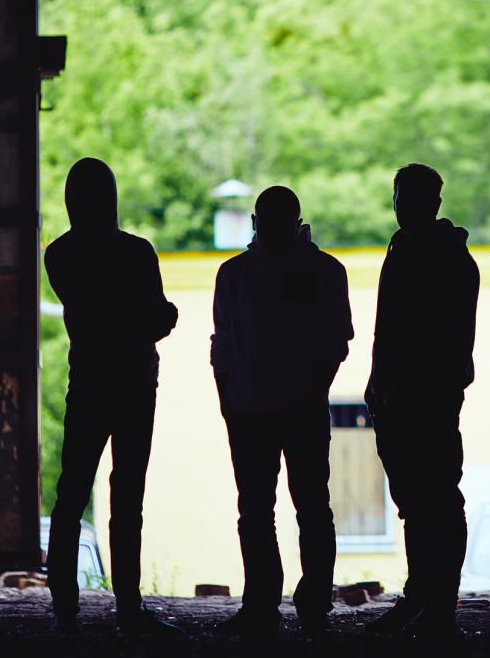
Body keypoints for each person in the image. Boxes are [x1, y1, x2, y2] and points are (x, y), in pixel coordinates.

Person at [44, 157, 181, 635]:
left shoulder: (58, 256)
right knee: (128, 498)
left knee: (71, 493)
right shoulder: (138, 253)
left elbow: (97, 314)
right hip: (136, 386)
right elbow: (158, 318)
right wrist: (157, 317)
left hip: (87, 385)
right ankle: (127, 606)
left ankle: (64, 604)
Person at [210, 186, 354, 637]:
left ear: (254, 221)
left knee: (257, 510)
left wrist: (228, 402)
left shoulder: (233, 275)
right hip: (300, 409)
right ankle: (312, 603)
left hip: (251, 408)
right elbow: (337, 342)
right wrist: (313, 387)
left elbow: (223, 347)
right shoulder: (326, 271)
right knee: (311, 507)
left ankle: (261, 605)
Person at [364, 164, 480, 636]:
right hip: (405, 396)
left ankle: (436, 604)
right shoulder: (418, 250)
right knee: (420, 501)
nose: (402, 205)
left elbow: (423, 336)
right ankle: (425, 599)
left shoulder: (438, 257)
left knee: (434, 500)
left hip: (424, 397)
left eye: (409, 196)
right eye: (400, 196)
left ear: (432, 202)